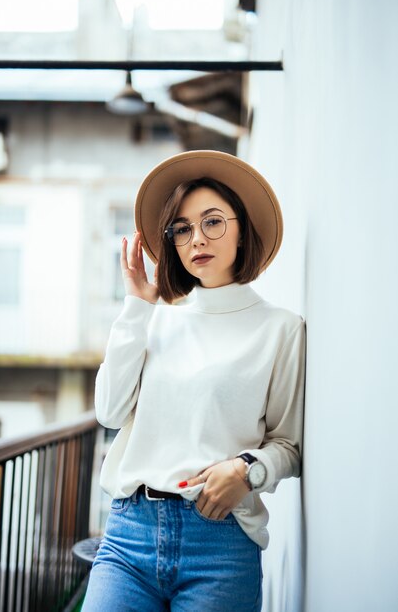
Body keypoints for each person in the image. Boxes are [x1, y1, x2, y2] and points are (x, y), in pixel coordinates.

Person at [82, 150, 306, 612]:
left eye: (213, 222)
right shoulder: (154, 320)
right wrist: (137, 308)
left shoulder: (280, 328)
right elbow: (109, 411)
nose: (197, 239)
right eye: (181, 228)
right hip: (129, 537)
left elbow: (289, 444)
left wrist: (248, 470)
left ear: (242, 230)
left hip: (220, 544)